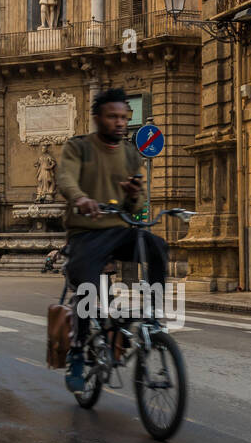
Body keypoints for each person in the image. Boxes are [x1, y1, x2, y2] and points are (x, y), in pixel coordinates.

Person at [56, 88, 168, 392]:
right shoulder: (78, 148)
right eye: (113, 117)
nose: (120, 122)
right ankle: (78, 352)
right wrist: (80, 199)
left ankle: (154, 314)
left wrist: (134, 196)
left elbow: (135, 204)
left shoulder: (131, 154)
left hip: (119, 231)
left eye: (123, 117)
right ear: (98, 118)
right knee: (89, 292)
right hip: (86, 233)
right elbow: (65, 178)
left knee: (157, 246)